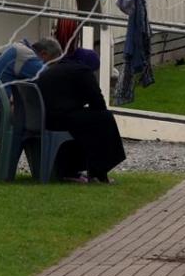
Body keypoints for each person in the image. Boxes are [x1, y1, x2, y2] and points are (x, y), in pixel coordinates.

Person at [32, 38, 126, 183]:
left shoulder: (54, 70)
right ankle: (99, 172)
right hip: (61, 120)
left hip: (48, 118)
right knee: (105, 118)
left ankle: (72, 170)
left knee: (87, 121)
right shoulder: (82, 71)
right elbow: (98, 102)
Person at [0, 38, 63, 119]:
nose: (49, 66)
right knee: (47, 116)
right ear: (44, 54)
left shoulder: (19, 49)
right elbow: (49, 77)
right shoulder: (26, 56)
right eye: (51, 63)